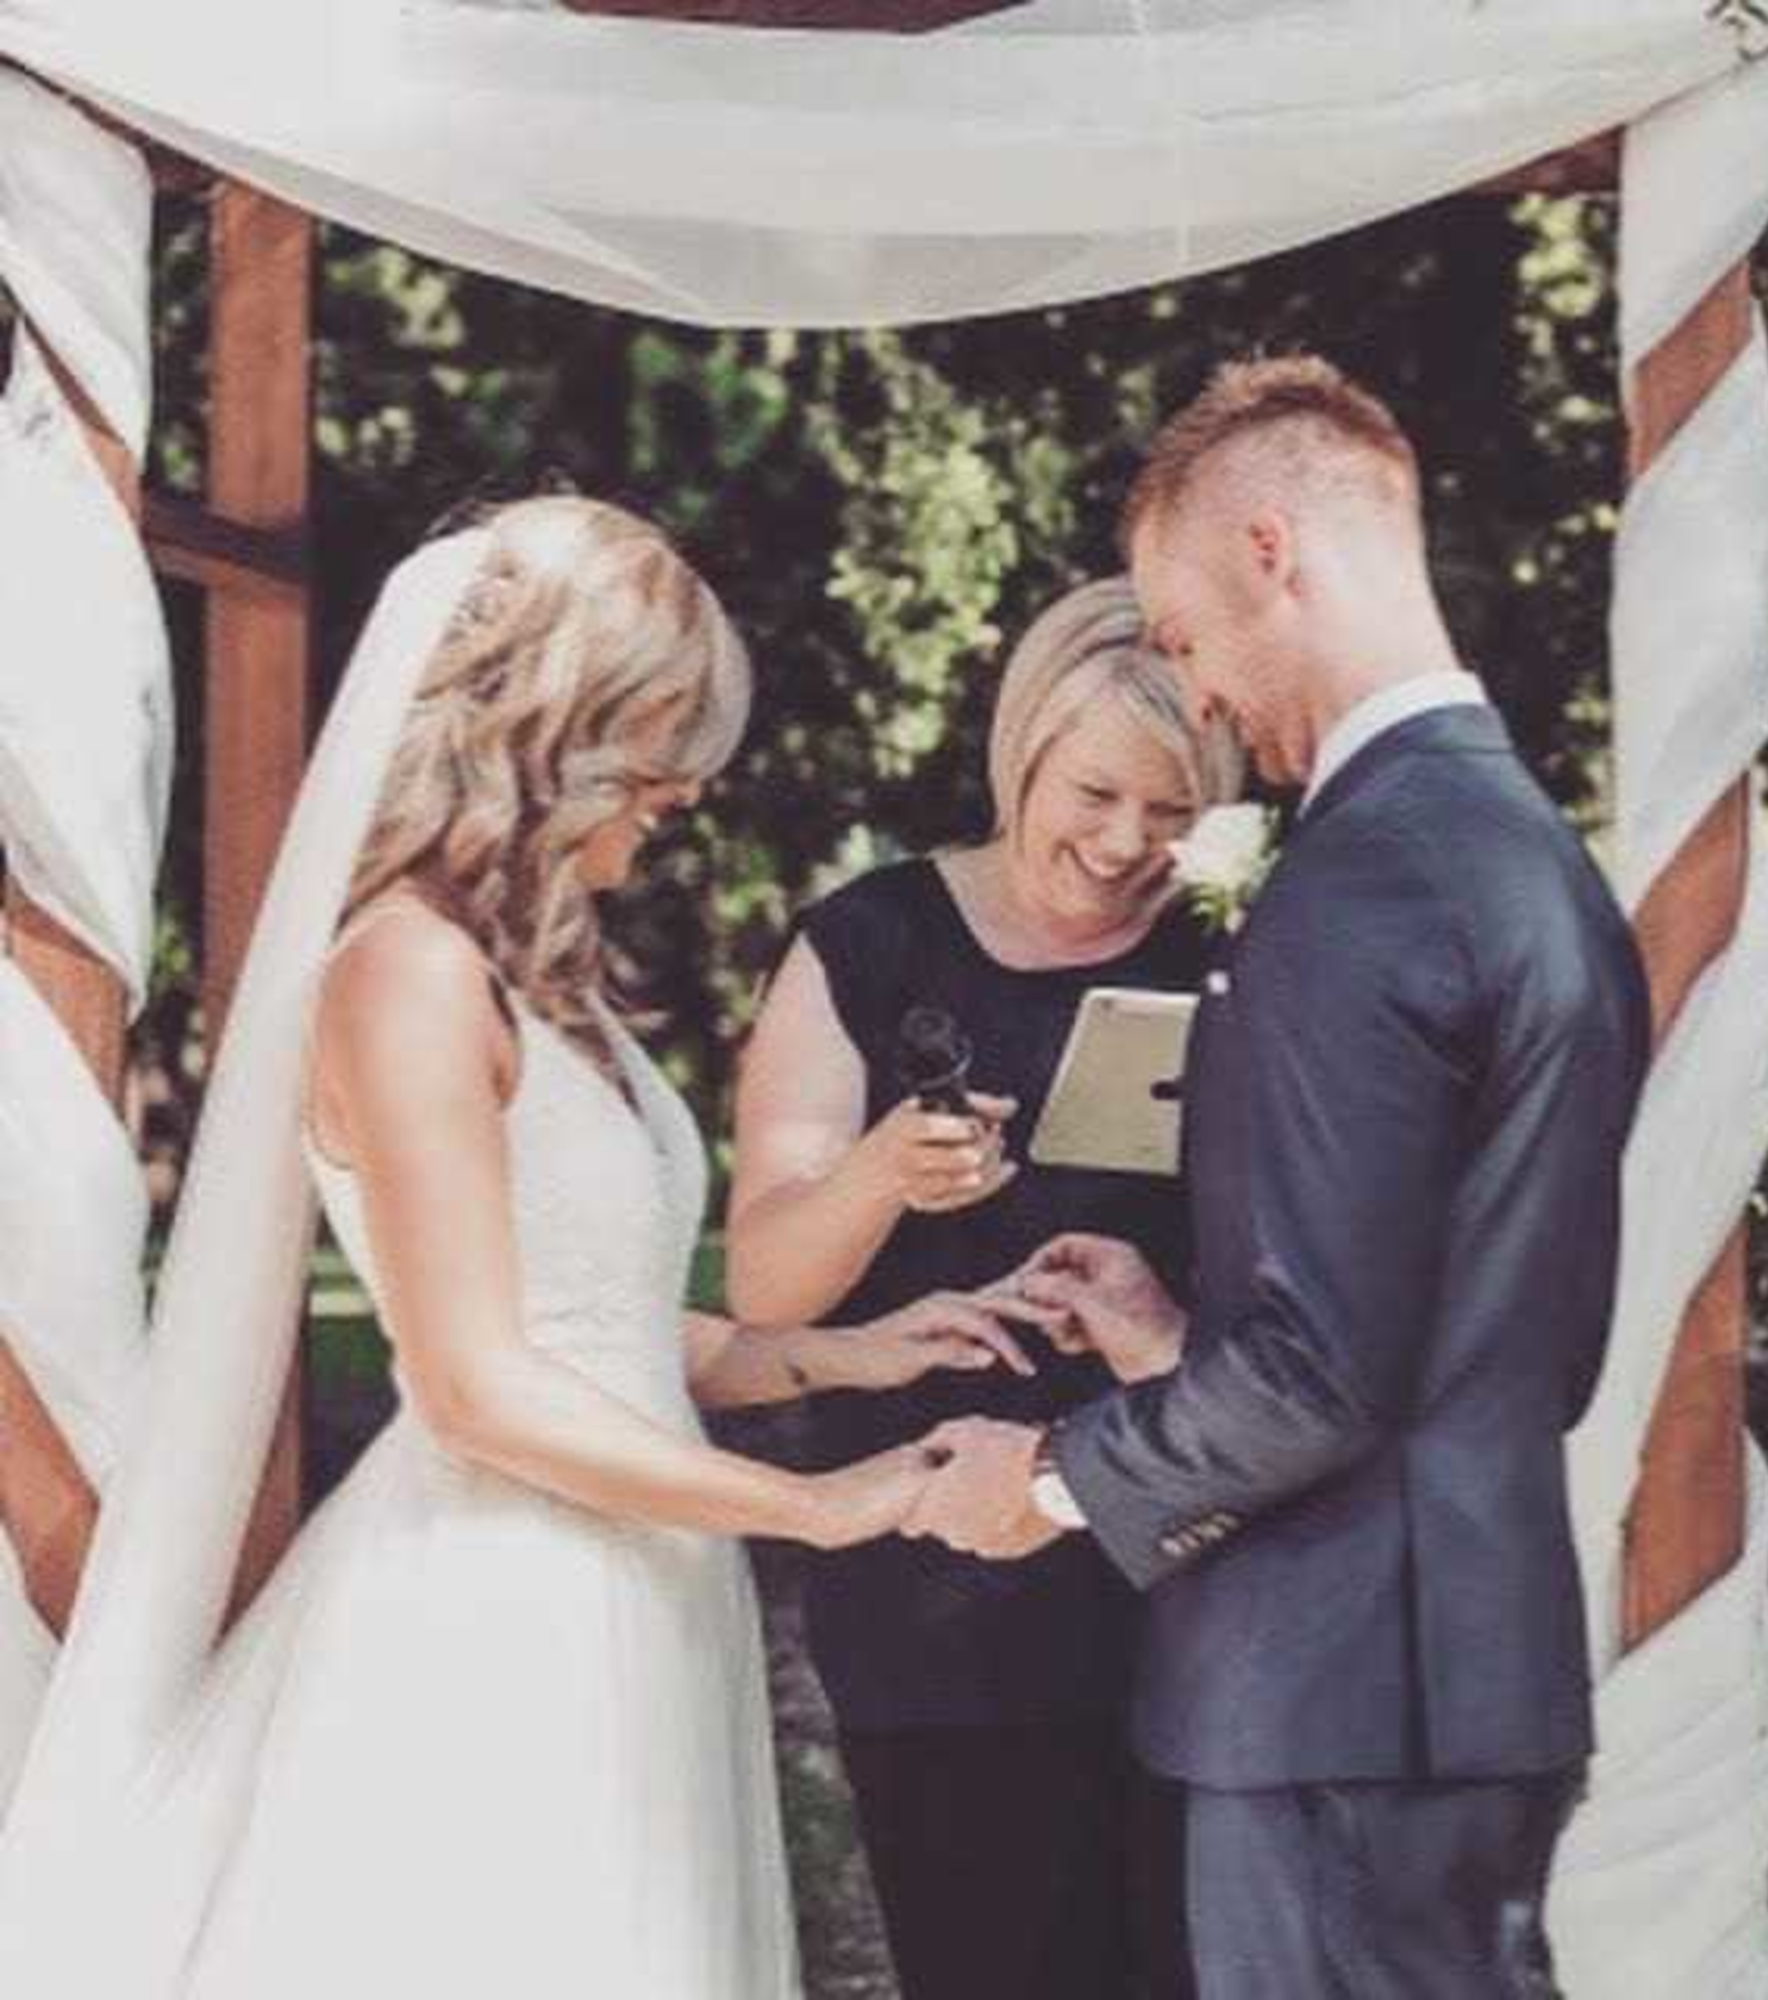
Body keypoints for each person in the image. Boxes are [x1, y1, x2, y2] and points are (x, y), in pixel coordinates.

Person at [0, 496, 1038, 1998]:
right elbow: (477, 1384)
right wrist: (813, 1506)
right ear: (555, 729)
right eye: (664, 743)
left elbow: (592, 1315)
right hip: (499, 1609)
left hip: (646, 1588)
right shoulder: (402, 974)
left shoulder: (552, 987)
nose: (684, 794)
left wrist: (835, 1351)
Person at [905, 357, 1654, 1999]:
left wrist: (1043, 1479)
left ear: (1270, 553)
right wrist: (1178, 1338)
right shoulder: (1532, 858)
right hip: (1469, 1653)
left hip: (1330, 1684)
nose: (1206, 697)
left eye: (1181, 638)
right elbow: (1498, 1322)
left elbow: (1320, 1381)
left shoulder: (1363, 879)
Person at [728, 577, 1242, 2000]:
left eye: (1173, 811)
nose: (1128, 845)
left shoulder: (1227, 954)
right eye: (1095, 793)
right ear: (1020, 749)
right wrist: (883, 1176)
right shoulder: (867, 942)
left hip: (1178, 1551)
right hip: (936, 1567)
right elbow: (766, 1285)